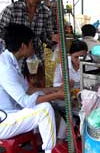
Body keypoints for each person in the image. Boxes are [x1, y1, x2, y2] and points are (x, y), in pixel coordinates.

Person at [0, 24, 64, 153]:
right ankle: (49, 151)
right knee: (45, 109)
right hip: (4, 122)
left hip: (11, 112)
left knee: (41, 96)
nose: (34, 47)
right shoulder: (5, 68)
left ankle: (43, 140)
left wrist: (56, 89)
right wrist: (57, 95)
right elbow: (26, 101)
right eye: (31, 43)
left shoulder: (11, 61)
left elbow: (29, 90)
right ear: (23, 46)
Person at [0, 0, 56, 87]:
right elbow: (1, 33)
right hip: (15, 60)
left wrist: (54, 39)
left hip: (36, 60)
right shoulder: (11, 10)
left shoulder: (45, 12)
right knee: (18, 92)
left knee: (37, 90)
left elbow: (46, 37)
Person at [53, 39, 88, 142]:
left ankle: (67, 140)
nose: (79, 61)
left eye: (82, 57)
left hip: (83, 99)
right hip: (67, 97)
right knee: (69, 114)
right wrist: (64, 85)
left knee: (73, 115)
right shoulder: (63, 66)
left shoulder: (88, 64)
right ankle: (63, 140)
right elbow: (55, 84)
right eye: (76, 57)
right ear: (70, 55)